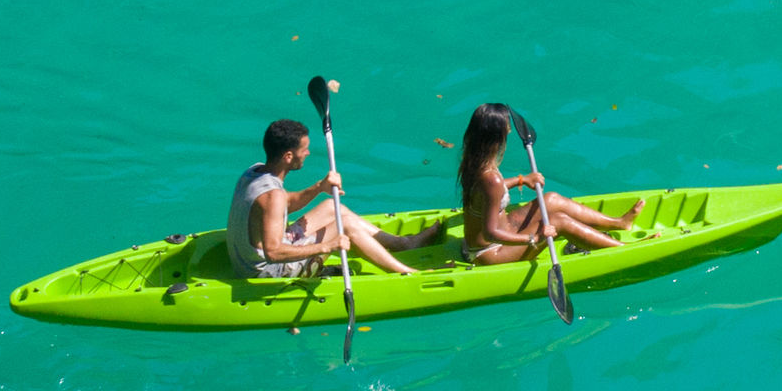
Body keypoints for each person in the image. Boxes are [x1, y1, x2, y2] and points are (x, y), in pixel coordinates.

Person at [231, 118, 422, 278]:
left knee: (332, 206)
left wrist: (319, 187)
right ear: (288, 156)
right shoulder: (273, 197)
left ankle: (403, 244)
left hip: (247, 259)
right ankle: (407, 274)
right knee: (345, 226)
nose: (308, 153)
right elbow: (273, 252)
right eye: (304, 149)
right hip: (268, 272)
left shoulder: (255, 172)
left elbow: (284, 203)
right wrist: (327, 246)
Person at [452, 102, 633, 262]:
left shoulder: (474, 160)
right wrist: (534, 237)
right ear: (497, 136)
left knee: (551, 199)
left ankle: (619, 223)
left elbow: (488, 191)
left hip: (505, 228)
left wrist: (521, 180)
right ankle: (624, 249)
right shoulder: (491, 178)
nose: (510, 129)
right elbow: (489, 233)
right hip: (489, 252)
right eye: (507, 126)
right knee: (559, 221)